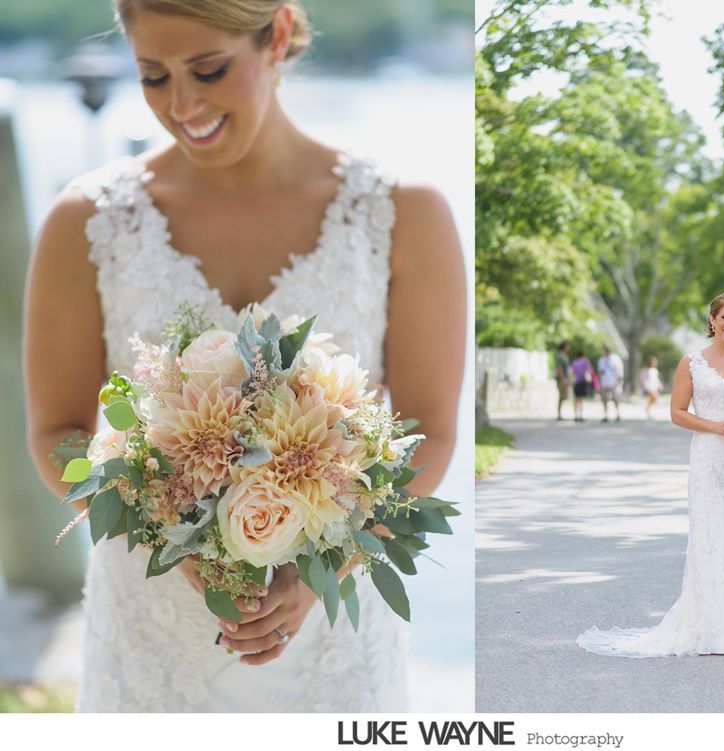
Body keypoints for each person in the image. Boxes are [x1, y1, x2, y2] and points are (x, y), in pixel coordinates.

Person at [23, 0, 465, 712]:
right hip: (150, 630)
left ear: (279, 35)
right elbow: (56, 433)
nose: (182, 103)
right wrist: (171, 532)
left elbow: (431, 430)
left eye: (208, 69)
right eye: (152, 76)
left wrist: (329, 562)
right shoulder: (88, 220)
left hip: (334, 642)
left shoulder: (403, 211)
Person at [578, 292, 724, 657]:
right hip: (708, 458)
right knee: (712, 536)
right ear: (711, 320)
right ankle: (711, 629)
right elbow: (676, 411)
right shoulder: (691, 363)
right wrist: (713, 425)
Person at [597, 345, 623, 422]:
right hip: (604, 382)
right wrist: (599, 382)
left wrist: (618, 381)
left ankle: (617, 413)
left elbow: (619, 370)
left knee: (615, 398)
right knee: (604, 399)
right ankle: (605, 415)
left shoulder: (615, 359)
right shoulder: (601, 360)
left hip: (613, 382)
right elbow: (600, 371)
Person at [570, 350, 594, 422]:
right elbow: (590, 370)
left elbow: (571, 372)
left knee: (576, 399)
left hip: (576, 382)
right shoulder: (585, 361)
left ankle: (576, 415)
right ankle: (581, 415)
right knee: (581, 400)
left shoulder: (574, 362)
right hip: (582, 382)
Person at [639, 355, 663, 419]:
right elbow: (643, 379)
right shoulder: (645, 370)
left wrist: (660, 385)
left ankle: (648, 409)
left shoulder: (655, 370)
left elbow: (656, 379)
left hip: (654, 387)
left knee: (653, 399)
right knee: (653, 397)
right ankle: (648, 410)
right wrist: (645, 387)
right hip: (648, 387)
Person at [554, 341, 571, 421]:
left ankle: (560, 414)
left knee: (564, 397)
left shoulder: (565, 356)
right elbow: (559, 368)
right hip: (561, 379)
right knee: (561, 396)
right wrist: (563, 378)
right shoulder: (560, 356)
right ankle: (559, 415)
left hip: (564, 378)